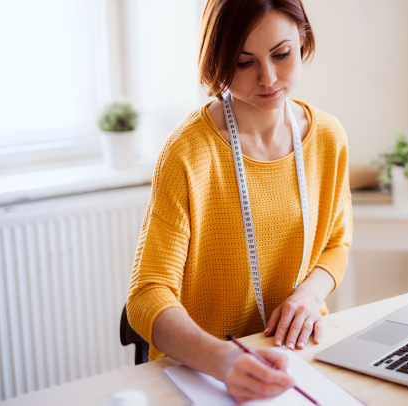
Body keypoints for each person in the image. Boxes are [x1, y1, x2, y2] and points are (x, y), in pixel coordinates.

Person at [126, 0, 352, 402]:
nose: (268, 78)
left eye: (281, 54)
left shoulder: (329, 138)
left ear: (302, 39)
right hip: (207, 374)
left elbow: (336, 244)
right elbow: (146, 294)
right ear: (217, 61)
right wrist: (223, 360)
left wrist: (309, 295)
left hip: (299, 356)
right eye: (244, 62)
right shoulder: (188, 153)